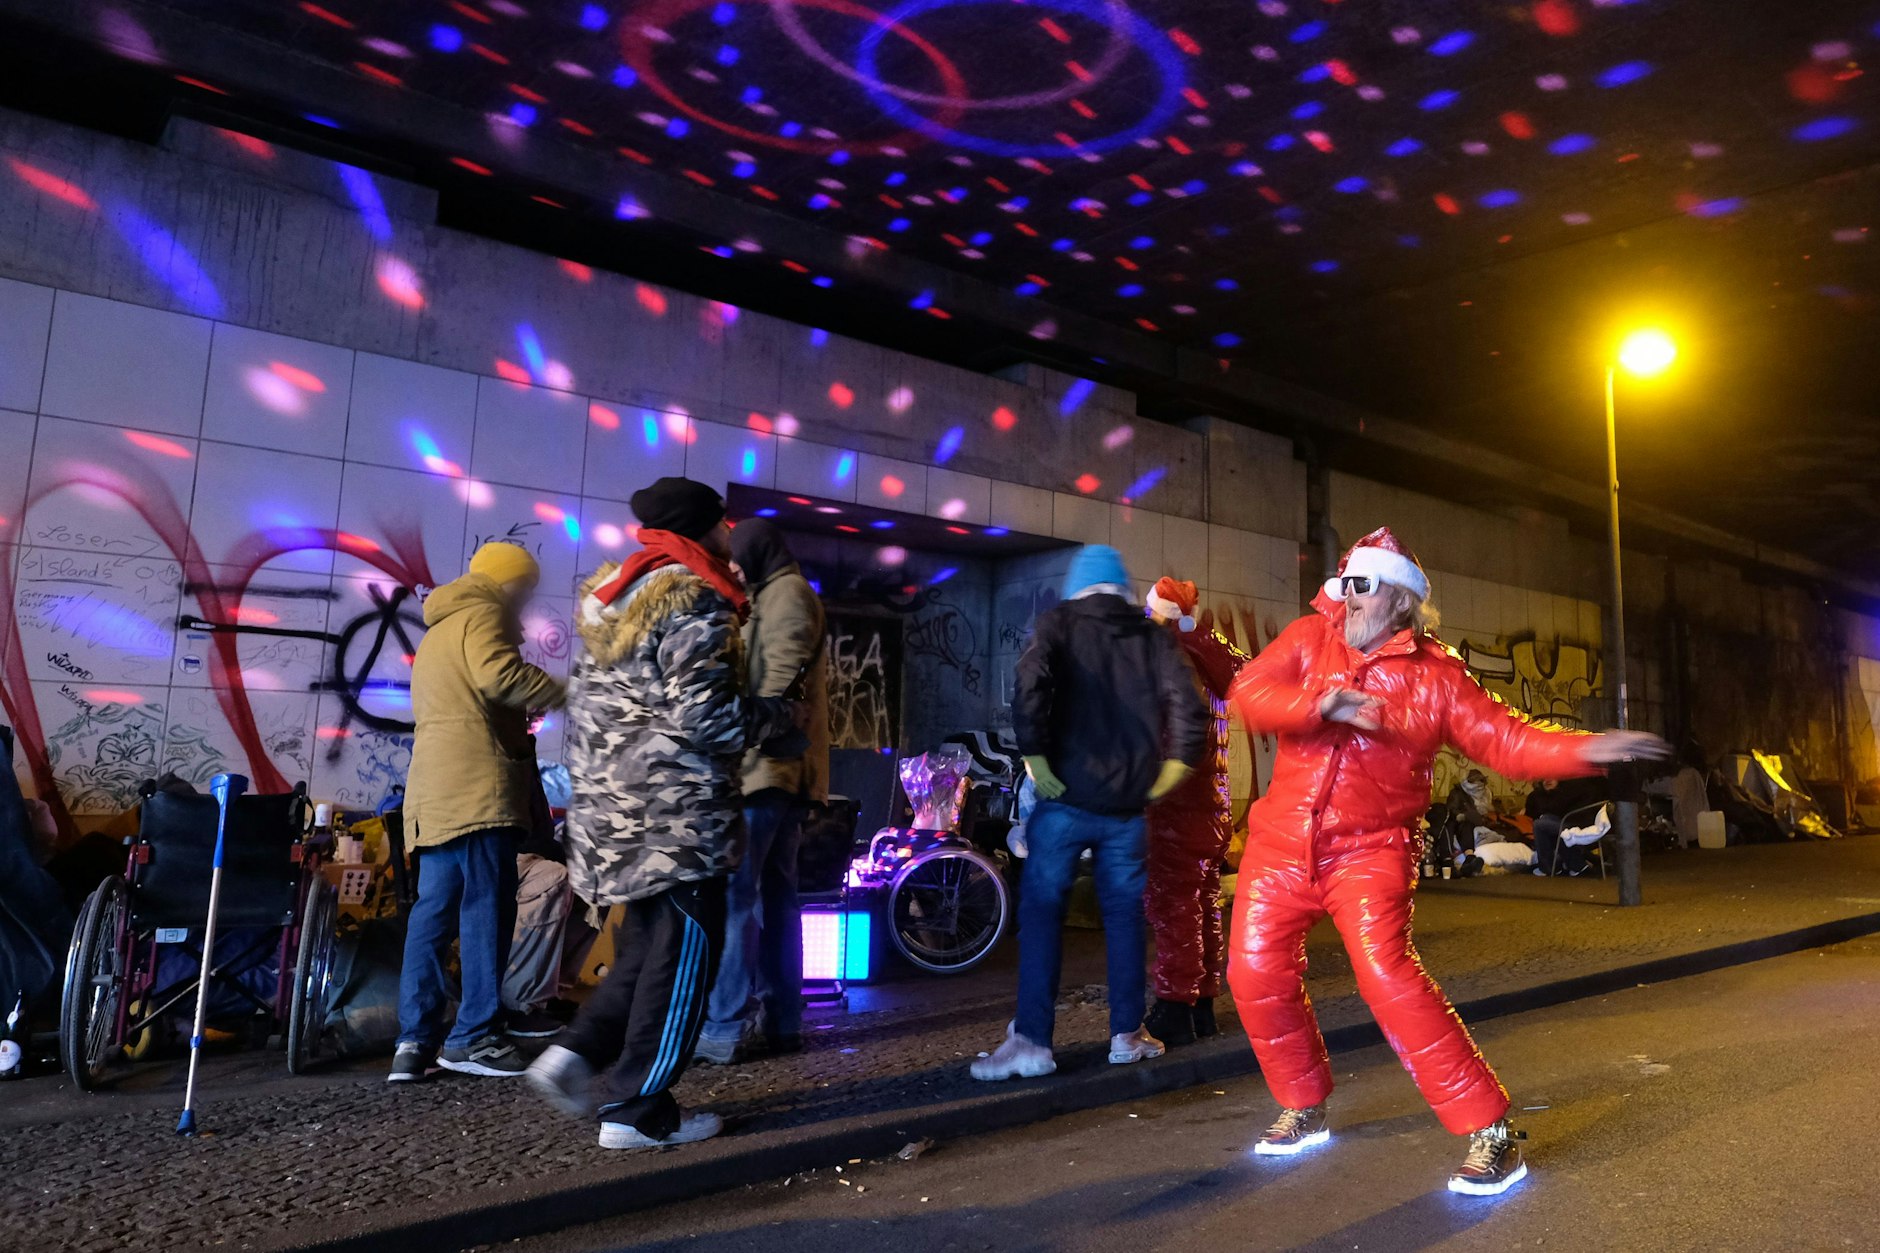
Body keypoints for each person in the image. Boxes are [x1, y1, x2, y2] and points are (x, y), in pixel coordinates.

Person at [1227, 527, 1666, 1194]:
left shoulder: (1438, 677)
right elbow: (1247, 692)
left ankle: (1490, 1130)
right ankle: (1303, 1102)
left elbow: (1509, 741)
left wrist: (1590, 749)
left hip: (1369, 853)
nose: (1347, 598)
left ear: (1401, 601)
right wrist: (1318, 704)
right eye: (1345, 583)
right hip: (1280, 847)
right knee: (1252, 971)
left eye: (1363, 586)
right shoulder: (1309, 641)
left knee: (1388, 978)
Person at [525, 477, 793, 1150]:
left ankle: (577, 1051)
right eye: (723, 524)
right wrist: (773, 718)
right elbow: (703, 714)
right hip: (677, 815)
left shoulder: (618, 597)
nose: (730, 534)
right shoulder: (693, 596)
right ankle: (639, 1111)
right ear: (703, 528)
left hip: (617, 812)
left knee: (647, 952)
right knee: (683, 965)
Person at [972, 545, 1209, 1081]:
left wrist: (1036, 757)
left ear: (1078, 585)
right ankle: (1127, 1035)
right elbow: (1190, 709)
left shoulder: (1057, 624)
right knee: (1125, 918)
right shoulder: (1150, 637)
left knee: (1041, 917)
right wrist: (1167, 775)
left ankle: (1032, 1042)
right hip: (1127, 809)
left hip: (1063, 801)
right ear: (1123, 587)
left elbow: (1030, 689)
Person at [390, 542, 565, 1082]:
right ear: (509, 582)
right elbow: (499, 677)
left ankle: (413, 1041)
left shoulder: (441, 625)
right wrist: (562, 690)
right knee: (487, 905)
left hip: (434, 789)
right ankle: (473, 1037)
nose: (526, 600)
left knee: (433, 912)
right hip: (477, 786)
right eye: (526, 588)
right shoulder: (484, 612)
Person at [695, 517, 828, 1066]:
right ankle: (782, 1021)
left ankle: (724, 1026)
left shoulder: (787, 595)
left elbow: (777, 682)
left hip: (766, 772)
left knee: (739, 900)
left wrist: (745, 739)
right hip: (774, 772)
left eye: (736, 557)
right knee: (775, 901)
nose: (731, 567)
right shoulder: (776, 593)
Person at [1141, 576, 1249, 1048]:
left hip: (1175, 804)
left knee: (1173, 907)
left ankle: (1173, 1007)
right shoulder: (1208, 656)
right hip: (1213, 804)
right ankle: (1202, 1005)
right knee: (1204, 903)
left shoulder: (1168, 658)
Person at [1526, 775, 1609, 876]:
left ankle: (1549, 867)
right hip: (1574, 820)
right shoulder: (1570, 786)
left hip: (1581, 823)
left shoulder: (1574, 785)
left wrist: (1553, 793)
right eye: (1543, 778)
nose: (1547, 780)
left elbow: (1559, 807)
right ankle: (1577, 865)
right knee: (1546, 820)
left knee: (1541, 825)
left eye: (1552, 776)